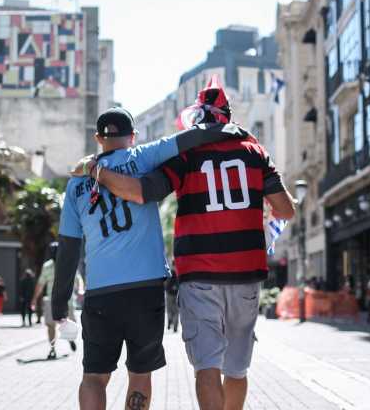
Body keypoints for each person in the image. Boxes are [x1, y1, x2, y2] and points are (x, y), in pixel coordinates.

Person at [86, 77, 295, 410]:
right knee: (237, 369)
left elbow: (142, 192)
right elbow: (286, 209)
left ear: (199, 118)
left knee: (207, 367)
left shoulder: (187, 156)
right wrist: (264, 227)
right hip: (246, 274)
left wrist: (100, 173)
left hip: (199, 275)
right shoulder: (256, 152)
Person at [55, 106, 247, 410]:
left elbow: (67, 249)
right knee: (140, 374)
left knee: (94, 376)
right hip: (145, 290)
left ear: (98, 138)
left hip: (100, 293)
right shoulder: (142, 156)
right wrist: (228, 129)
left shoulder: (76, 183)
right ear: (133, 136)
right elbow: (189, 139)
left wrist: (58, 305)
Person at [32, 243, 83, 358]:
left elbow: (78, 279)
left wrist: (80, 290)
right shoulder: (47, 266)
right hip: (51, 301)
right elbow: (40, 284)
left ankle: (69, 338)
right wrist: (34, 299)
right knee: (51, 325)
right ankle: (52, 349)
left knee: (70, 323)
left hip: (68, 301)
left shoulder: (69, 264)